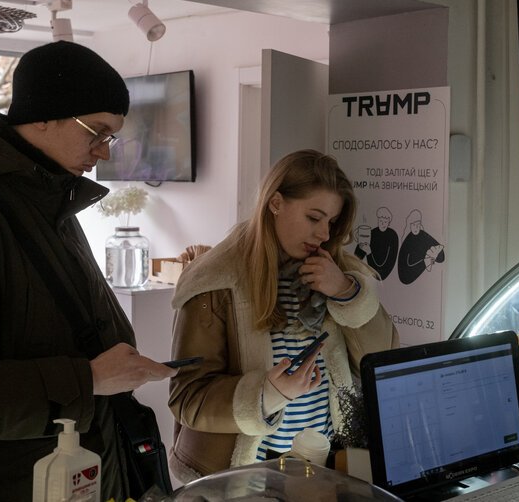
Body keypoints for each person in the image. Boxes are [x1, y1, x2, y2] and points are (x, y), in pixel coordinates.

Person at [0, 41, 176, 501]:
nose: (104, 153)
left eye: (111, 137)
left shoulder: (52, 206)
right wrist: (88, 380)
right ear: (44, 116)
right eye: (97, 132)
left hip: (76, 478)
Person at [168, 149, 399, 482]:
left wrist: (346, 292)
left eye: (331, 222)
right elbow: (187, 398)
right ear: (275, 203)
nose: (324, 234)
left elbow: (383, 360)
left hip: (324, 464)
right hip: (243, 474)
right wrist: (267, 394)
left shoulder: (339, 271)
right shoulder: (214, 281)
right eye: (314, 218)